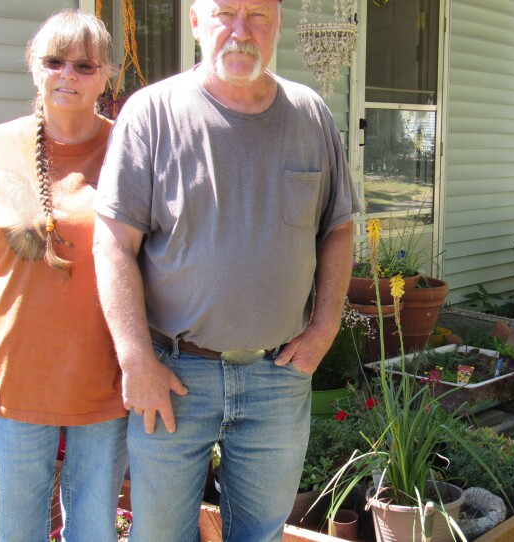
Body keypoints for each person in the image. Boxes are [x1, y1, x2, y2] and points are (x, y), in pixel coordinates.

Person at [92, 0, 358, 539]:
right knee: (162, 534)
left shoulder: (310, 115)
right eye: (225, 14)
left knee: (259, 532)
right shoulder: (151, 114)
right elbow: (113, 245)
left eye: (258, 15)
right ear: (195, 22)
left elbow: (337, 229)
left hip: (277, 376)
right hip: (174, 374)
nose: (241, 31)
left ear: (278, 23)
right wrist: (135, 360)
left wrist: (325, 328)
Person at [0, 10, 128, 542]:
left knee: (95, 532)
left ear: (107, 73)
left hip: (106, 386)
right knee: (15, 533)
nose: (68, 74)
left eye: (85, 65)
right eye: (54, 61)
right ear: (34, 67)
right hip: (8, 389)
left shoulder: (128, 152)